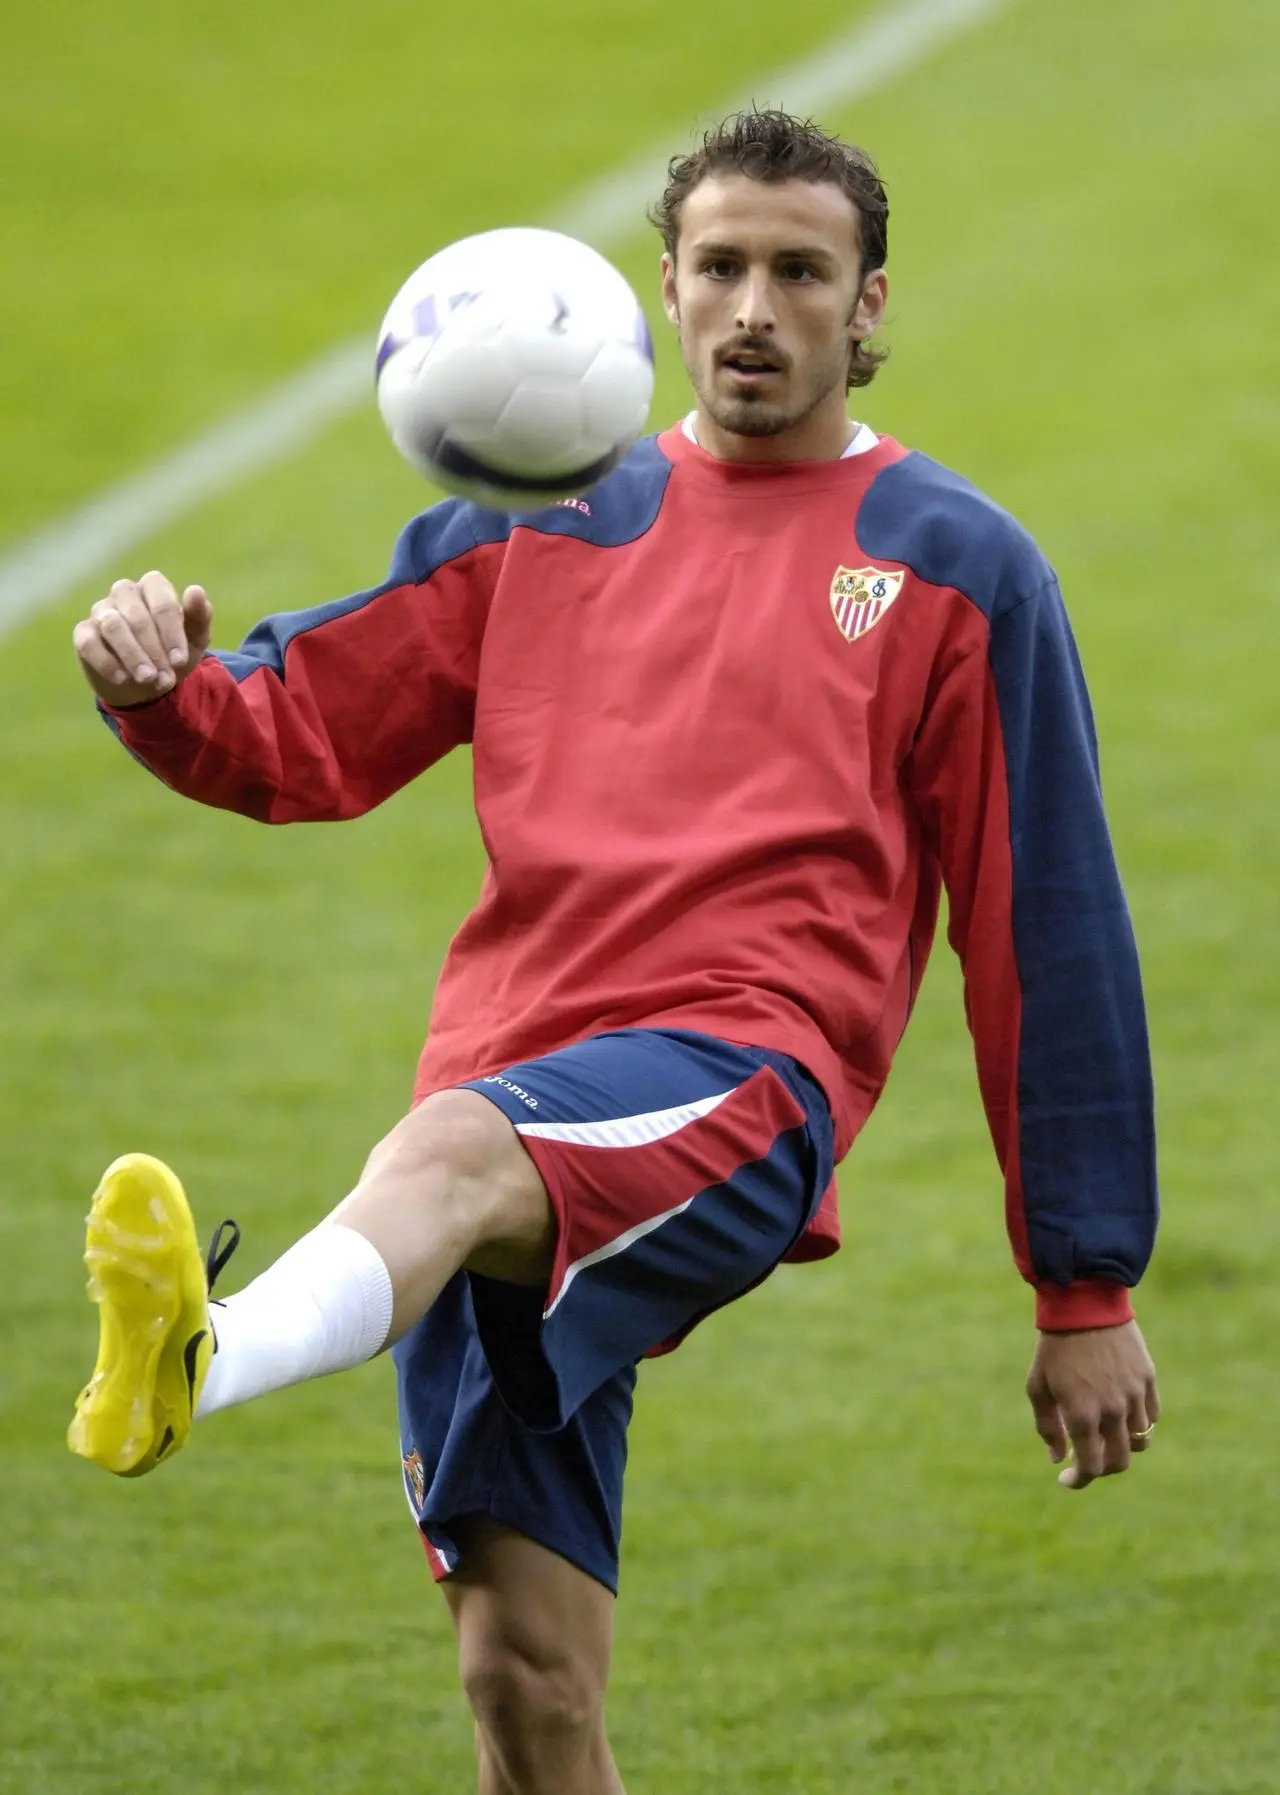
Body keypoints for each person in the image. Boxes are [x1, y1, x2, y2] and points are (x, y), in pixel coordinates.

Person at [67, 109, 1160, 1795]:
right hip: (510, 1094)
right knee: (526, 1686)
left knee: (436, 1152)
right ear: (663, 287)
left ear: (870, 307)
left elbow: (1048, 925)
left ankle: (200, 1352)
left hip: (739, 1079)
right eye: (720, 267)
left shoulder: (957, 566)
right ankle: (215, 1350)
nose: (753, 308)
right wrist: (164, 690)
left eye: (801, 273)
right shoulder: (549, 512)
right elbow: (308, 732)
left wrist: (1081, 1283)